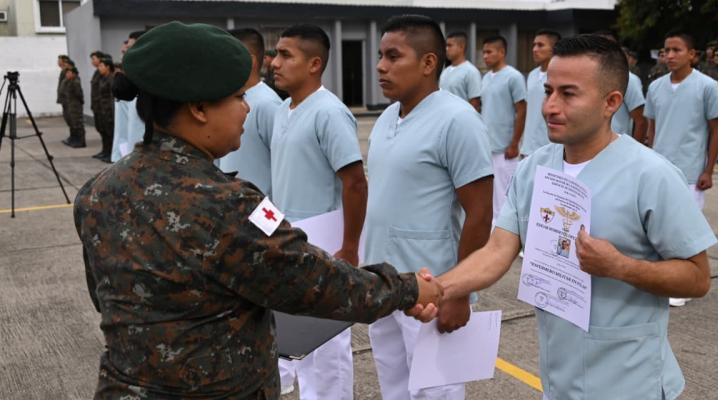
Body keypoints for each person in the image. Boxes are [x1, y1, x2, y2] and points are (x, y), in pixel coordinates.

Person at [74, 21, 442, 400]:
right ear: (198, 108)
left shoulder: (96, 193)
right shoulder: (226, 204)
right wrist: (409, 288)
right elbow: (317, 284)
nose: (247, 108)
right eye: (237, 97)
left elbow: (106, 299)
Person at [436, 35, 716, 400]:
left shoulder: (652, 175)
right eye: (548, 91)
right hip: (559, 377)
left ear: (610, 102)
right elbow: (497, 250)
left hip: (630, 381)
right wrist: (436, 289)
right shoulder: (535, 168)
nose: (550, 106)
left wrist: (621, 267)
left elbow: (698, 278)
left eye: (568, 94)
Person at [366, 14, 493, 400]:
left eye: (393, 56)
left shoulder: (458, 120)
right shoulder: (387, 116)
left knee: (435, 392)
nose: (381, 66)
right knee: (393, 388)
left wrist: (459, 292)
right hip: (383, 282)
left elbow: (480, 213)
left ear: (428, 63)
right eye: (380, 56)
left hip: (432, 289)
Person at [268, 24, 367, 399]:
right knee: (296, 338)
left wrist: (350, 246)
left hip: (324, 241)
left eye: (285, 55)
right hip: (289, 239)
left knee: (325, 348)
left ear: (314, 64)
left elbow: (355, 182)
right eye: (276, 54)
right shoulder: (283, 110)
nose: (275, 63)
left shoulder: (329, 112)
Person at [645, 31, 718, 308]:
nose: (669, 55)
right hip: (659, 168)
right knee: (658, 228)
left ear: (692, 55)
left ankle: (685, 283)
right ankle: (664, 279)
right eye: (666, 50)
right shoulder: (656, 87)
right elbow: (652, 128)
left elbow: (716, 130)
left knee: (686, 231)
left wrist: (708, 170)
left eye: (677, 50)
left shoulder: (707, 86)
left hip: (691, 170)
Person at [217, 28, 282, 196]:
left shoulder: (268, 104)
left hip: (259, 207)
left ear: (249, 61)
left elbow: (284, 166)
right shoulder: (224, 100)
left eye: (227, 55)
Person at [480, 35, 526, 221]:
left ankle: (505, 234)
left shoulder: (513, 77)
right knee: (490, 196)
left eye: (489, 52)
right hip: (487, 147)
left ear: (502, 52)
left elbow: (522, 110)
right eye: (483, 52)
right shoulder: (486, 78)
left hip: (505, 149)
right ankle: (492, 233)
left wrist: (514, 143)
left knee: (504, 197)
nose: (485, 56)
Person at [595, 32, 647, 142]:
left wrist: (633, 149)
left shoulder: (629, 79)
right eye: (597, 49)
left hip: (618, 144)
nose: (601, 53)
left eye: (607, 48)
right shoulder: (585, 78)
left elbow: (641, 121)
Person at [520, 29, 560, 157]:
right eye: (534, 45)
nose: (534, 49)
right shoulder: (532, 75)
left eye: (540, 45)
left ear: (553, 49)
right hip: (527, 148)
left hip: (549, 148)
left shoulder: (560, 76)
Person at [111, 30, 147, 162]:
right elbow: (122, 129)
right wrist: (118, 157)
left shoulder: (153, 83)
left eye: (130, 48)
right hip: (131, 157)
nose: (124, 52)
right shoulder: (127, 83)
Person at [440, 31, 481, 111]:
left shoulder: (471, 71)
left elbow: (475, 104)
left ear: (461, 47)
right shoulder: (445, 71)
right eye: (446, 46)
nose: (446, 49)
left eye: (450, 45)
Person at [93, 56, 115, 162]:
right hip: (101, 110)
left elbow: (112, 97)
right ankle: (105, 151)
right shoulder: (102, 78)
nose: (99, 68)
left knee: (110, 133)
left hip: (108, 111)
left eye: (101, 66)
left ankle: (111, 154)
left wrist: (112, 113)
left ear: (108, 67)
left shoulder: (111, 79)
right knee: (104, 132)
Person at [59, 61, 86, 148]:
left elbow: (79, 94)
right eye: (67, 73)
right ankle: (74, 139)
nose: (67, 74)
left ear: (74, 74)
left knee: (78, 124)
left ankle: (81, 141)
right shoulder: (68, 81)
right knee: (72, 123)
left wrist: (79, 103)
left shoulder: (75, 82)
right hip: (69, 105)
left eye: (69, 73)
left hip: (75, 106)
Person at [56, 55, 70, 128]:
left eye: (59, 61)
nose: (58, 62)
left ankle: (75, 134)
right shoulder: (63, 71)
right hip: (64, 99)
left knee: (70, 117)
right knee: (66, 116)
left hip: (67, 99)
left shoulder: (68, 72)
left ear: (64, 62)